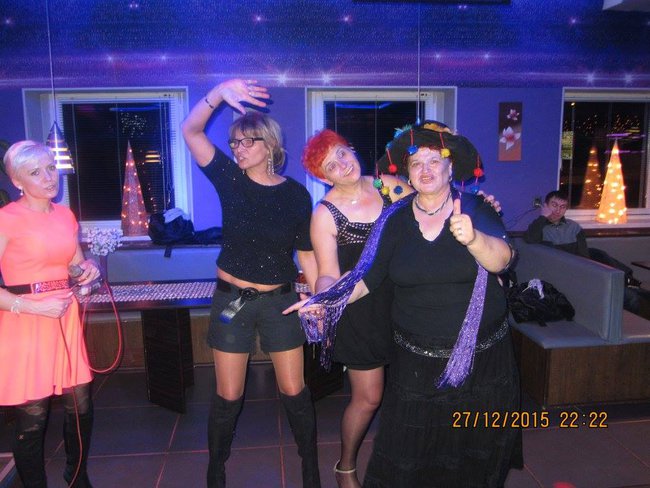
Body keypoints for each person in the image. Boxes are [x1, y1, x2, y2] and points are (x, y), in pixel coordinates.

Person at [287, 121, 522, 487]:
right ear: (408, 173)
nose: (425, 170)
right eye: (417, 163)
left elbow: (503, 259)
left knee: (473, 442)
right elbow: (360, 276)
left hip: (476, 352)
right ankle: (347, 466)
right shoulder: (389, 218)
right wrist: (325, 302)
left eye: (434, 161)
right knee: (407, 437)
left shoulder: (466, 206)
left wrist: (475, 235)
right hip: (403, 342)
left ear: (450, 168)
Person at [181, 79, 321, 488]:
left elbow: (306, 254)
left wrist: (318, 298)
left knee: (295, 391)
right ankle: (216, 469)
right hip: (233, 302)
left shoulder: (296, 195)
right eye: (234, 142)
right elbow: (191, 131)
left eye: (247, 142)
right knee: (229, 394)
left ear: (270, 145)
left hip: (280, 302)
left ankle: (310, 468)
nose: (237, 149)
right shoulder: (230, 178)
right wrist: (218, 93)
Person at [301, 130, 413, 487]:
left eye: (341, 153)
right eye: (330, 166)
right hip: (360, 310)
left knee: (410, 391)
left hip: (406, 300)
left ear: (351, 149)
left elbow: (433, 210)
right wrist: (323, 298)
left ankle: (404, 458)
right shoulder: (325, 213)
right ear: (324, 178)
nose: (342, 165)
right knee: (368, 398)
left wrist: (475, 205)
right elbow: (327, 272)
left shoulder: (389, 187)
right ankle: (345, 465)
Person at [0, 141, 101, 487]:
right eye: (35, 172)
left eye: (50, 168)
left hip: (64, 319)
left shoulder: (65, 215)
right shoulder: (6, 219)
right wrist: (33, 306)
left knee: (81, 404)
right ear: (17, 181)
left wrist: (88, 272)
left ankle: (78, 477)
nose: (48, 177)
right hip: (25, 322)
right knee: (33, 415)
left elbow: (74, 265)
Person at [525, 190, 644, 312]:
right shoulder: (539, 226)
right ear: (545, 206)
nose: (558, 210)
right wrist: (542, 217)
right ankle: (626, 282)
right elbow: (530, 239)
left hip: (581, 272)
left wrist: (590, 276)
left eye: (562, 207)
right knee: (630, 297)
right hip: (560, 275)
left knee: (631, 296)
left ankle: (626, 281)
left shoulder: (574, 227)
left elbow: (584, 258)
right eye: (554, 205)